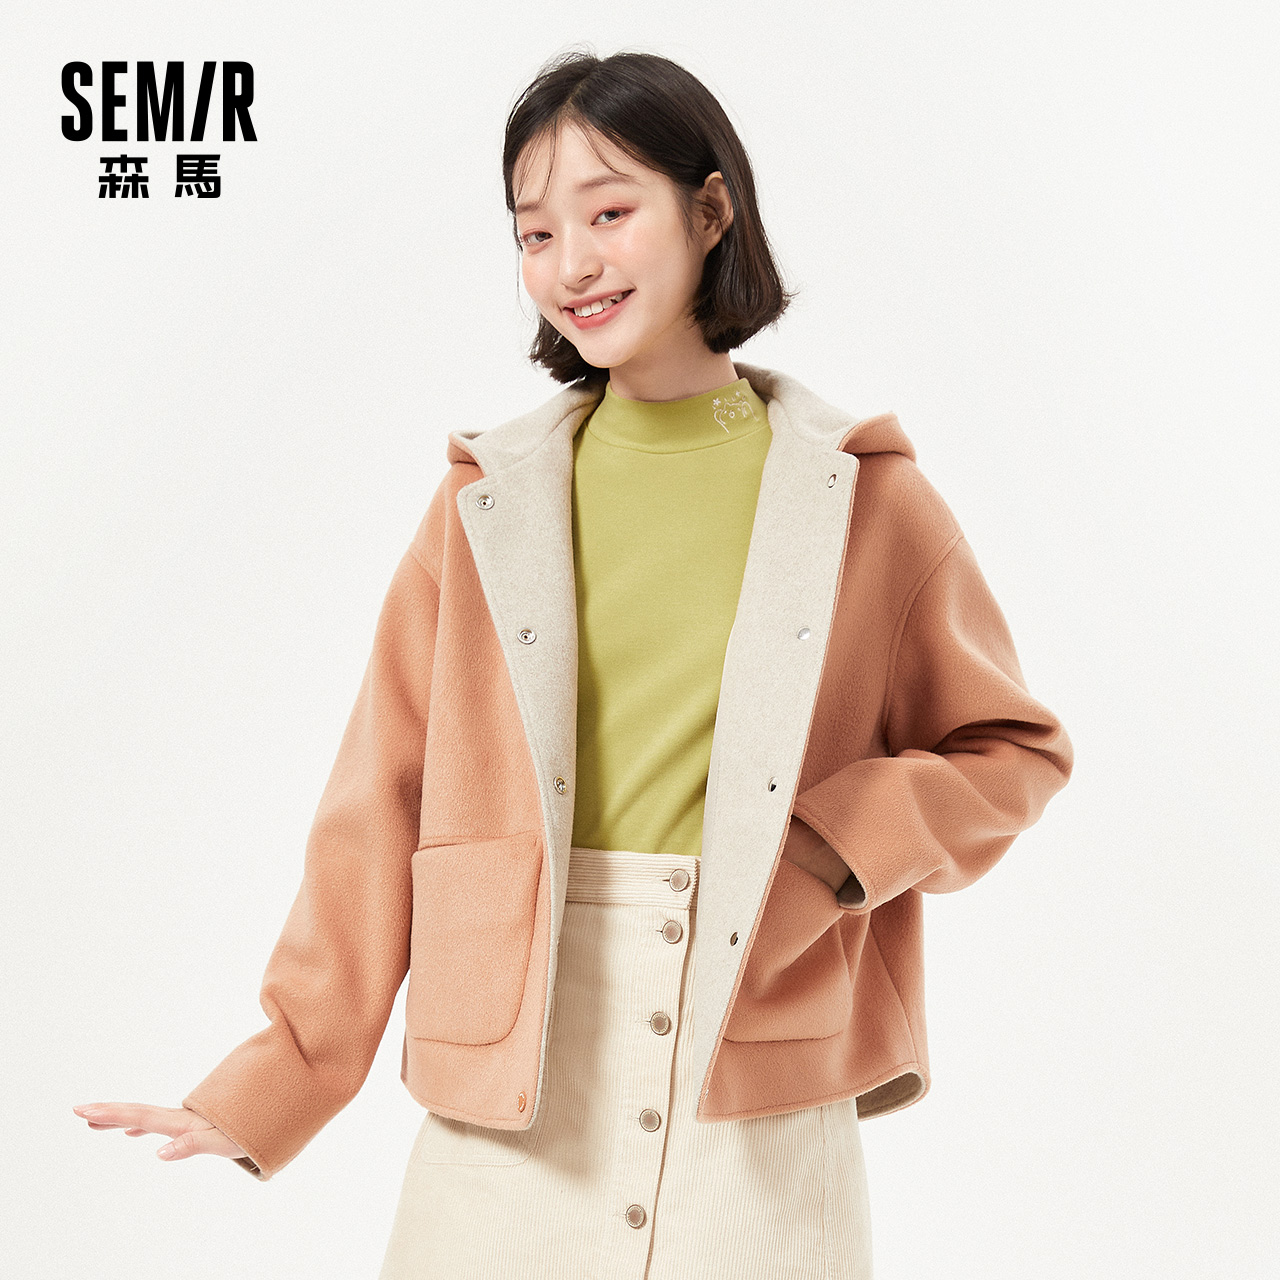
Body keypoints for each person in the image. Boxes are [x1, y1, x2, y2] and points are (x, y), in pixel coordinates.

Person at [74, 48, 1074, 1279]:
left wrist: (830, 847)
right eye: (536, 233)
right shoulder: (486, 504)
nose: (571, 265)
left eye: (609, 214)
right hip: (513, 1065)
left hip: (757, 1053)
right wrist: (279, 1074)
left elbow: (1011, 749)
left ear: (709, 211)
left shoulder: (859, 494)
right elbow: (380, 796)